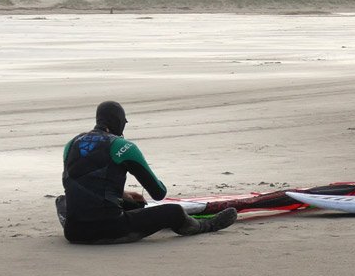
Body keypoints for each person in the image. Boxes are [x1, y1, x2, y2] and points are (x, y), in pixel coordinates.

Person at [60, 100, 236, 244]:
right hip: (110, 229)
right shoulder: (123, 147)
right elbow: (159, 193)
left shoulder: (71, 144)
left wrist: (123, 194)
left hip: (74, 233)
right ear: (119, 122)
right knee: (174, 211)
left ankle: (74, 220)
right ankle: (205, 226)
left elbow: (80, 181)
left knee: (63, 200)